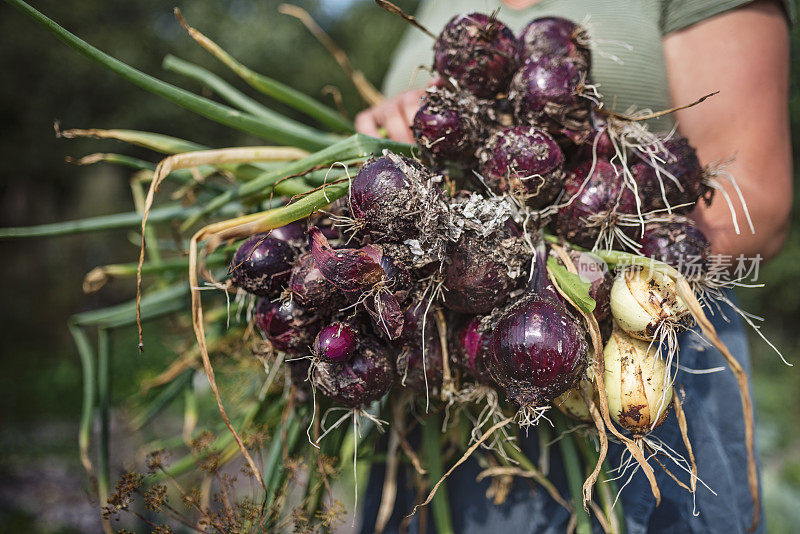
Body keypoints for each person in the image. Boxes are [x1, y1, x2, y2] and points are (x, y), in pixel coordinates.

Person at [356, 1, 794, 533]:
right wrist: (389, 127)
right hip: (434, 408)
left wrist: (569, 269)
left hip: (634, 377)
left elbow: (757, 204)